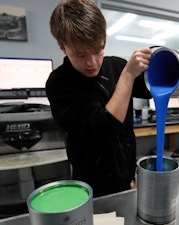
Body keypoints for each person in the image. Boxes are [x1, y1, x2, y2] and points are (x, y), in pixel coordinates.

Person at [46, 0, 152, 197]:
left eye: (98, 49)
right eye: (80, 54)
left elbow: (151, 89)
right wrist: (128, 76)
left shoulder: (116, 66)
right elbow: (105, 128)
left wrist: (171, 66)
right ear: (62, 46)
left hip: (125, 176)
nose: (92, 62)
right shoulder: (59, 84)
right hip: (90, 185)